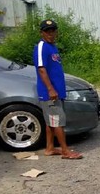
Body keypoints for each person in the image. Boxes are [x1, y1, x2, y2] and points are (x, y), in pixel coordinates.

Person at [33, 19, 83, 159]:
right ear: (41, 32)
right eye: (47, 31)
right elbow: (41, 69)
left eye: (53, 31)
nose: (51, 34)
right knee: (58, 122)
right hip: (49, 93)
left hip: (56, 91)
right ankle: (66, 151)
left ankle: (50, 148)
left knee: (51, 122)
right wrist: (50, 89)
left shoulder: (53, 46)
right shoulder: (42, 46)